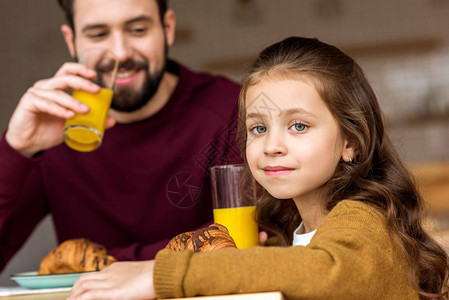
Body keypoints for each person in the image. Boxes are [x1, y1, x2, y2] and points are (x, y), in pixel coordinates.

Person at [69, 36, 449, 300]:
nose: (272, 145)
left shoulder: (363, 219)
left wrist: (159, 275)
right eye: (258, 128)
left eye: (298, 125)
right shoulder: (289, 232)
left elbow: (326, 272)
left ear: (351, 142)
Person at [0, 0, 242, 272]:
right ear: (72, 40)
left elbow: (247, 237)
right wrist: (14, 150)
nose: (119, 53)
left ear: (167, 28)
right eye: (98, 34)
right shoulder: (50, 130)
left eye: (137, 30)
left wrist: (109, 265)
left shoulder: (231, 110)